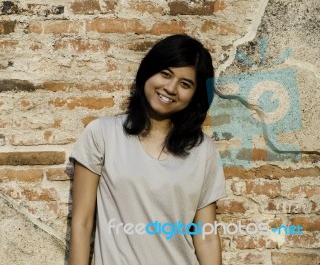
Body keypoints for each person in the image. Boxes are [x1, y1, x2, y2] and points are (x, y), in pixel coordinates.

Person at [69, 34, 227, 264]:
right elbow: (82, 223)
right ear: (148, 71)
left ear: (195, 96)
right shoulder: (102, 134)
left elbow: (206, 238)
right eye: (165, 74)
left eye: (185, 84)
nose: (171, 88)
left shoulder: (203, 151)